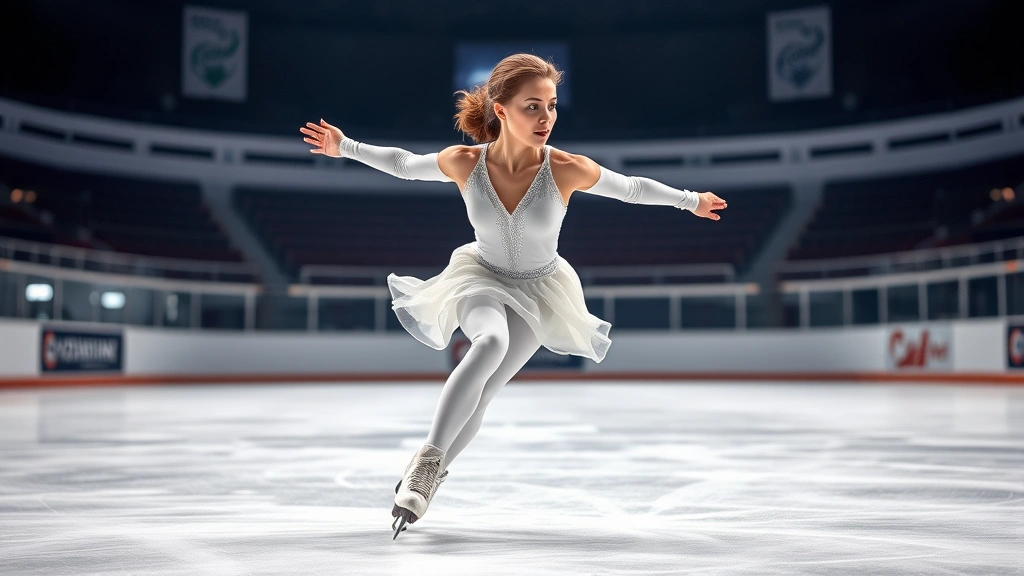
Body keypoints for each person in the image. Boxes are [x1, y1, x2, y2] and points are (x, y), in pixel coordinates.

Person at [299, 53, 726, 540]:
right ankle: (427, 461)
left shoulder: (567, 168)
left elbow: (630, 188)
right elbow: (402, 164)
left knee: (485, 395)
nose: (546, 118)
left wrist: (691, 201)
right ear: (500, 111)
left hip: (540, 288)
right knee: (490, 343)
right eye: (532, 107)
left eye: (551, 106)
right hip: (479, 274)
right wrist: (345, 146)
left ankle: (430, 478)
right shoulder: (465, 162)